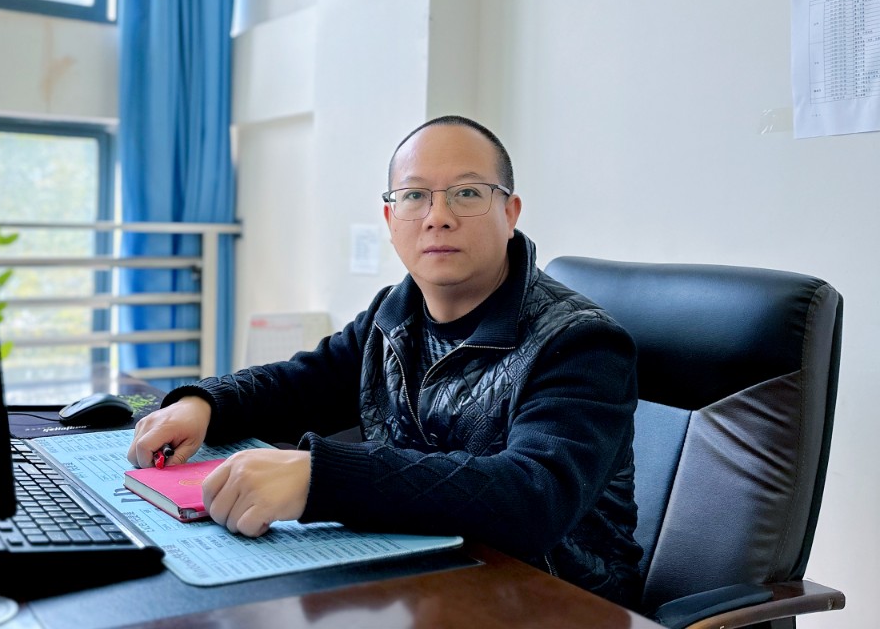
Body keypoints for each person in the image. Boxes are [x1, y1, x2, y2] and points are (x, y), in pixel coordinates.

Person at [127, 116, 642, 606]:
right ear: (391, 220)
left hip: (552, 600)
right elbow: (299, 386)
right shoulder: (392, 316)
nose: (437, 216)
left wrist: (320, 479)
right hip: (420, 578)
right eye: (414, 196)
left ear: (510, 213)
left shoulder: (581, 341)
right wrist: (205, 404)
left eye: (467, 193)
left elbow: (533, 496)